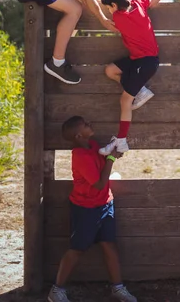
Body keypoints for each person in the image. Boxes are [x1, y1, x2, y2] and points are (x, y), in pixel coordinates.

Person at [47, 116, 137, 302]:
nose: (91, 124)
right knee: (77, 249)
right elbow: (98, 183)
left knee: (109, 245)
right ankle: (57, 290)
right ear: (79, 135)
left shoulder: (93, 145)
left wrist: (112, 150)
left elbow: (102, 167)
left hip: (105, 203)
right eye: (87, 125)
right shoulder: (80, 156)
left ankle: (118, 288)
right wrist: (112, 158)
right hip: (86, 208)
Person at [98, 0, 159, 155]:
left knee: (125, 101)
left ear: (115, 6)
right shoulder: (139, 3)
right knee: (111, 70)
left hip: (146, 62)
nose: (109, 11)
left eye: (109, 7)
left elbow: (110, 18)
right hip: (138, 59)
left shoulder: (118, 17)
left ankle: (121, 141)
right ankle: (140, 90)